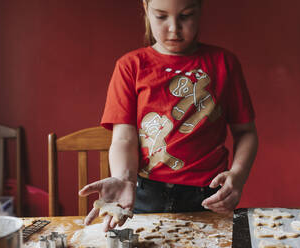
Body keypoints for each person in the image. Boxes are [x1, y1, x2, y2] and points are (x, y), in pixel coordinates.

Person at [79, 0, 258, 232]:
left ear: (200, 10)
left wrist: (238, 175)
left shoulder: (224, 63)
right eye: (162, 16)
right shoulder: (130, 66)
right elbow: (124, 138)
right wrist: (124, 179)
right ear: (146, 9)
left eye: (186, 15)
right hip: (142, 194)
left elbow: (246, 132)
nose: (174, 28)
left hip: (209, 197)